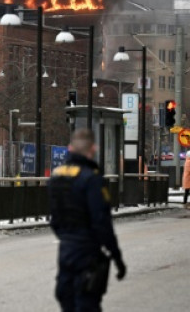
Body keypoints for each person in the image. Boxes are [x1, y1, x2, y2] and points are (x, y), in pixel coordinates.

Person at [49, 128, 125, 311]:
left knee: (66, 298)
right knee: (87, 302)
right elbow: (101, 222)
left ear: (70, 148)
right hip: (88, 251)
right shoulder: (91, 179)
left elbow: (54, 217)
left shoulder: (56, 176)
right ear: (93, 149)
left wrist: (66, 237)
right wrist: (116, 256)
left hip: (65, 250)